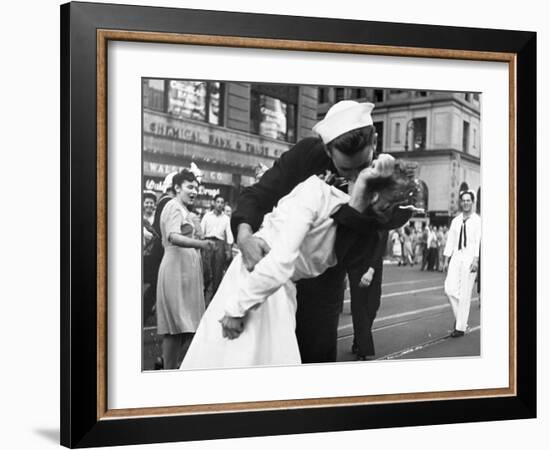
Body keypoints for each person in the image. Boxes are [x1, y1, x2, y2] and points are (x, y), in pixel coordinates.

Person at [181, 158, 419, 369]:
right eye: (385, 202)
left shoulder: (356, 225)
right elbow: (279, 260)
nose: (382, 207)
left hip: (275, 290)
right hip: (259, 281)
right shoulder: (317, 192)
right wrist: (237, 307)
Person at [229, 100, 393, 363]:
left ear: (374, 141)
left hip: (324, 287)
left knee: (315, 362)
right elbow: (257, 194)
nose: (353, 177)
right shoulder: (305, 154)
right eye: (345, 169)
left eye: (361, 168)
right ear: (328, 151)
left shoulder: (380, 175)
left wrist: (376, 191)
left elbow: (368, 243)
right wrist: (244, 235)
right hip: (275, 285)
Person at [156, 169, 214, 369]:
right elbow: (173, 236)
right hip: (175, 270)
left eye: (196, 187)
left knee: (187, 327)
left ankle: (170, 365)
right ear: (177, 188)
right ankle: (169, 368)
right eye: (190, 187)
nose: (194, 191)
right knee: (176, 327)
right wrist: (201, 244)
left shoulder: (186, 211)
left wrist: (198, 233)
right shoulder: (173, 206)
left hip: (186, 271)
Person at [442, 190, 481, 337]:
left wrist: (476, 260)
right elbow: (450, 242)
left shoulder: (478, 221)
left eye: (468, 200)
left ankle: (459, 328)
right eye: (463, 200)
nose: (465, 203)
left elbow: (478, 242)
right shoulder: (456, 221)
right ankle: (461, 321)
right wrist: (446, 260)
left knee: (465, 294)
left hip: (470, 260)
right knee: (449, 289)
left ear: (472, 202)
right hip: (456, 258)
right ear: (460, 202)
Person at [201, 195, 234, 304]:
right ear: (213, 203)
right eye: (218, 202)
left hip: (219, 245)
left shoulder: (226, 219)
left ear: (224, 205)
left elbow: (229, 235)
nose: (219, 204)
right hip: (207, 243)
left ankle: (213, 302)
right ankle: (202, 297)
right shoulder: (207, 216)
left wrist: (228, 250)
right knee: (205, 271)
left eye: (222, 202)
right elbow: (201, 232)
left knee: (217, 273)